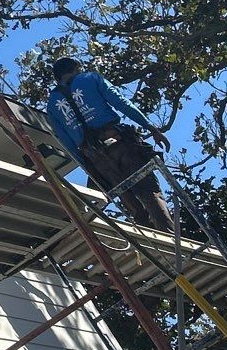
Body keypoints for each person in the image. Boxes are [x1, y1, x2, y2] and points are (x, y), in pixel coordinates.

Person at [42, 55, 177, 231]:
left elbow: (66, 141)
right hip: (119, 143)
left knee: (132, 205)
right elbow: (120, 102)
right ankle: (170, 238)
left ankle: (156, 247)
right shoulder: (90, 79)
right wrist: (151, 128)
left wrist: (88, 168)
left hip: (96, 159)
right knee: (149, 192)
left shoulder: (52, 105)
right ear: (75, 68)